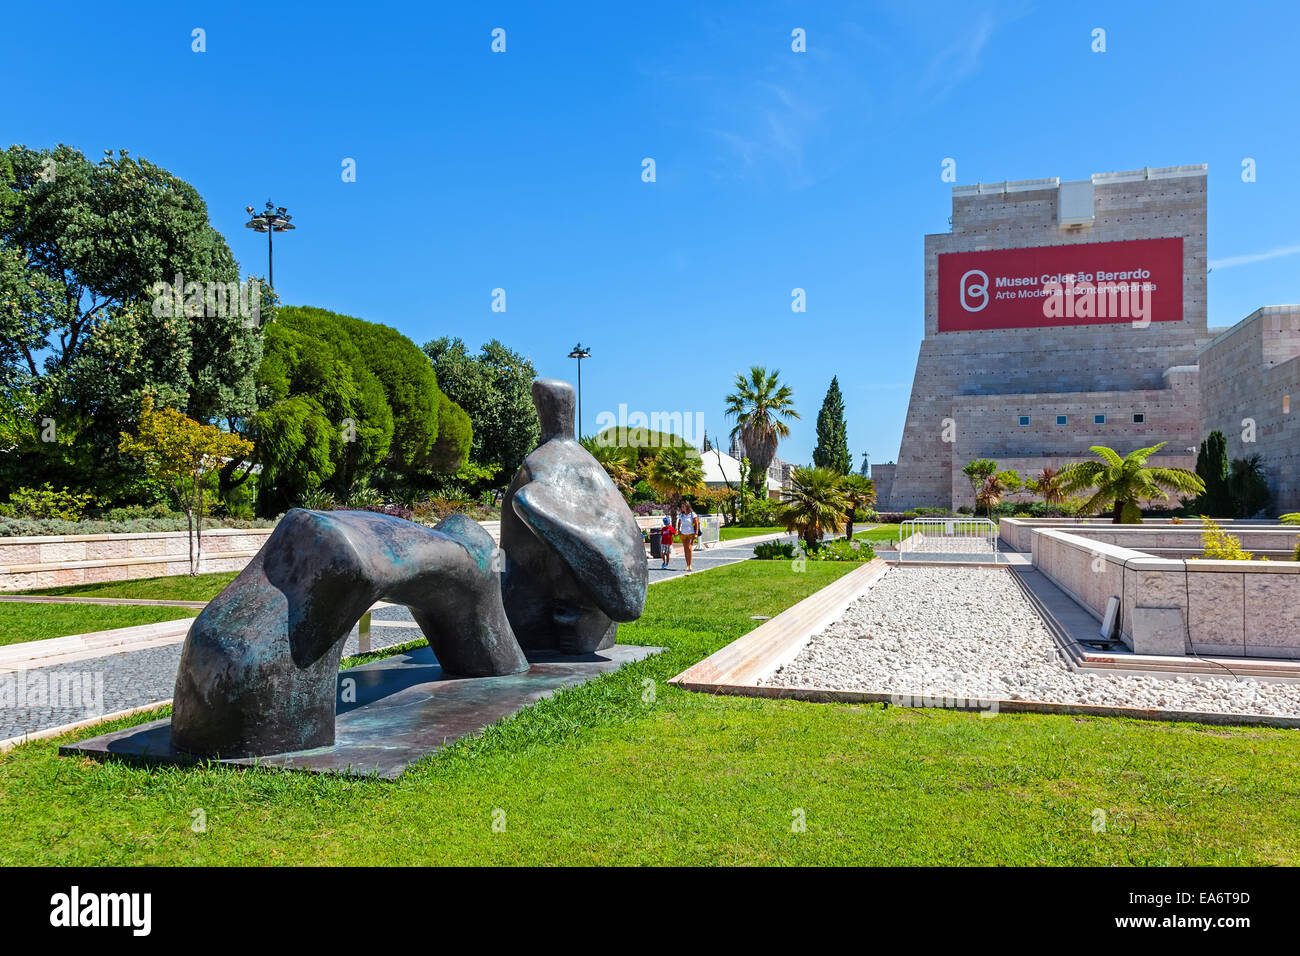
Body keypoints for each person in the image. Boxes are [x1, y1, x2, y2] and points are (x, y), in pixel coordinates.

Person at [676, 501, 700, 572]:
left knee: (689, 548)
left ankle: (690, 565)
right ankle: (687, 565)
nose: (682, 508)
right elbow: (679, 522)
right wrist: (679, 530)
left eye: (683, 506)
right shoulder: (681, 515)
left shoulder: (692, 514)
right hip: (683, 533)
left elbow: (696, 524)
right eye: (682, 506)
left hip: (691, 533)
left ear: (687, 506)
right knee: (685, 549)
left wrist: (696, 533)